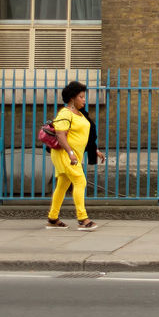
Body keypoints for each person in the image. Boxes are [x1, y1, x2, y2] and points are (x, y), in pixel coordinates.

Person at [45, 80, 105, 230]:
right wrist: (70, 153)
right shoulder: (65, 113)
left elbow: (82, 136)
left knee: (63, 185)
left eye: (84, 97)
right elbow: (60, 135)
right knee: (80, 181)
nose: (84, 100)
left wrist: (94, 151)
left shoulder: (79, 114)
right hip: (64, 154)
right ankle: (82, 219)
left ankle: (53, 218)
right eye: (81, 97)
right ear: (72, 98)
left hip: (72, 154)